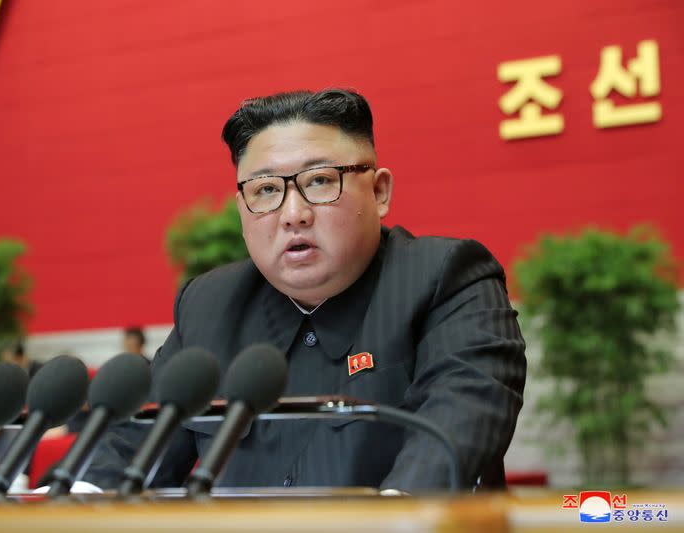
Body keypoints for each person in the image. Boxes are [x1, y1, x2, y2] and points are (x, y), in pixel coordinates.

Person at [84, 89, 527, 492]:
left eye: (319, 181)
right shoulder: (209, 304)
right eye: (266, 190)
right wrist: (78, 498)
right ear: (242, 209)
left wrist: (394, 517)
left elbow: (459, 419)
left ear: (379, 192)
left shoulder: (447, 279)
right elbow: (134, 450)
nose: (292, 214)